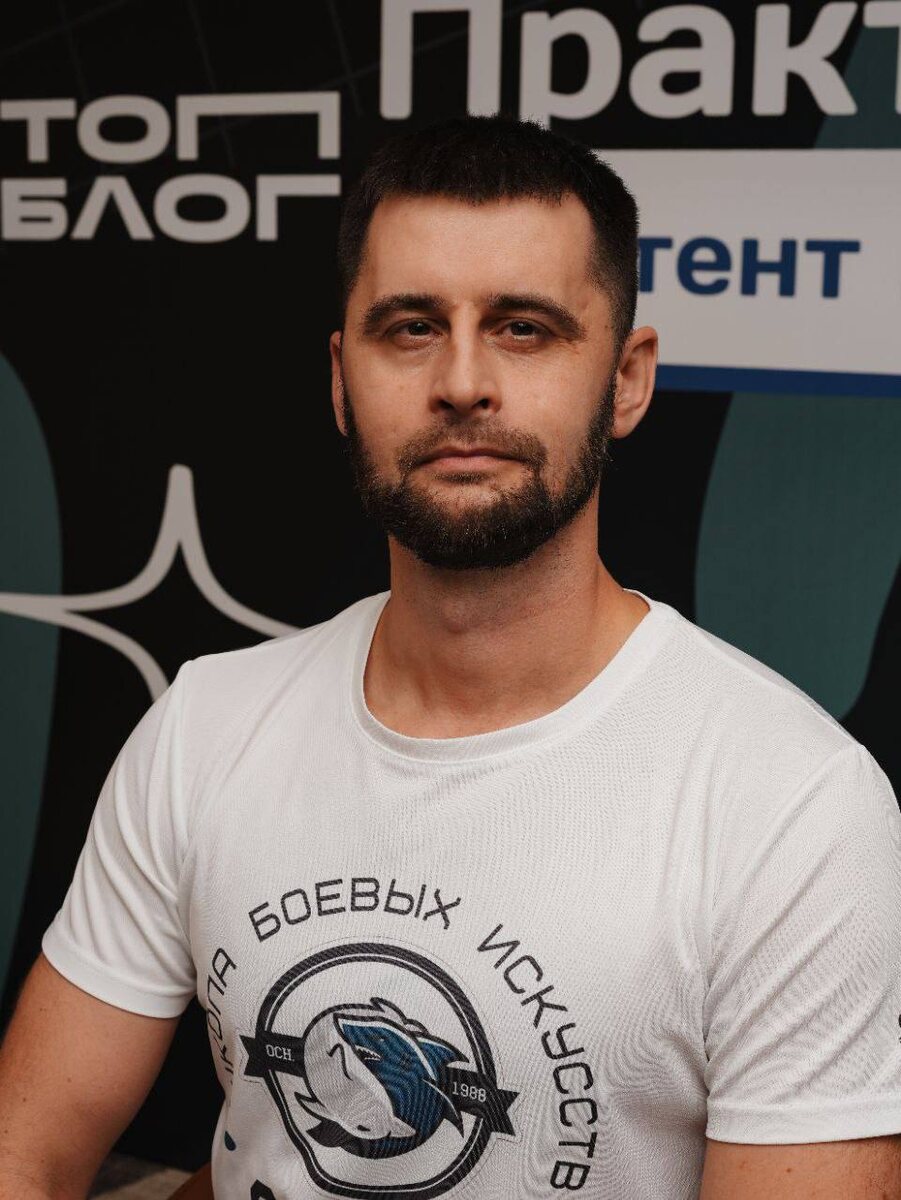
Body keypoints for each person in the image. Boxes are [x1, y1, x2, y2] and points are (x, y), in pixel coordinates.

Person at [0, 115, 899, 1200]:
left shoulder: (792, 804)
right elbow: (26, 1154)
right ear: (343, 379)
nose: (463, 382)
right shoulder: (206, 728)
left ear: (625, 380)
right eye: (411, 328)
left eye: (523, 328)